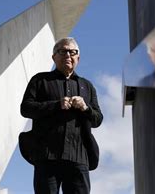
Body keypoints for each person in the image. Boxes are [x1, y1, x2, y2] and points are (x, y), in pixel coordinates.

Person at [20, 37, 103, 194]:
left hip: (79, 158)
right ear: (54, 57)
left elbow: (98, 119)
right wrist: (56, 105)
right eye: (63, 51)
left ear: (78, 57)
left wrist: (85, 108)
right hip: (47, 157)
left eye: (73, 52)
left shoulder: (88, 86)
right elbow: (26, 108)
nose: (68, 55)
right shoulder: (40, 80)